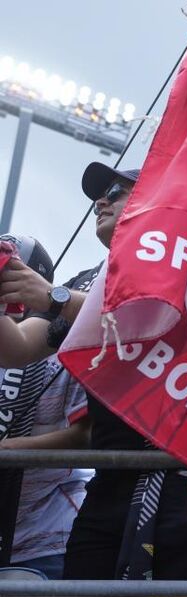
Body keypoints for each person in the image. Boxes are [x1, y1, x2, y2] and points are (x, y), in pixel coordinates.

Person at [0, 163, 187, 580]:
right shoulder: (88, 279)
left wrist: (56, 298)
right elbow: (16, 350)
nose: (100, 201)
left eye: (116, 190)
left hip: (186, 484)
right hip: (110, 482)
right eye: (98, 193)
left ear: (160, 204)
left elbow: (151, 325)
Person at [0, 234, 91, 579]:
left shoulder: (65, 339)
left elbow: (88, 435)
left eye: (12, 271)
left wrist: (8, 449)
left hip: (44, 538)